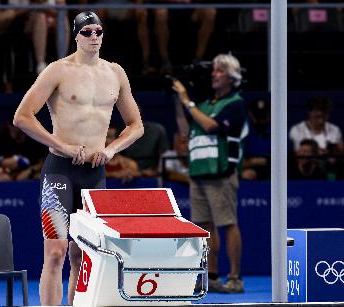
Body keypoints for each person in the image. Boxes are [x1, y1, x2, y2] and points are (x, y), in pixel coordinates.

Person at [13, 11, 143, 306]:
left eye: (98, 32)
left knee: (82, 254)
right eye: (87, 32)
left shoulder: (115, 72)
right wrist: (62, 145)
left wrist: (110, 150)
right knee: (56, 252)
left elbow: (136, 125)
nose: (94, 37)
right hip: (59, 172)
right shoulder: (58, 70)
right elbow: (22, 117)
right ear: (75, 36)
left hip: (94, 175)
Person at [172, 53, 247, 293]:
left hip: (221, 173)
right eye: (214, 70)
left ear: (232, 77)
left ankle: (235, 278)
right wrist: (178, 97)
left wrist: (188, 101)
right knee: (204, 227)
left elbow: (211, 126)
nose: (214, 74)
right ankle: (211, 275)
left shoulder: (235, 103)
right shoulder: (206, 104)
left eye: (220, 71)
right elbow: (185, 130)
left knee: (228, 223)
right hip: (199, 173)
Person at [241, 98, 270, 180]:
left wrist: (267, 162)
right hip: (248, 173)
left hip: (272, 174)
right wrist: (252, 162)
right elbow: (235, 163)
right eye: (258, 116)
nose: (261, 119)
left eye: (264, 115)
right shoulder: (242, 132)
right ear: (250, 113)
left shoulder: (277, 133)